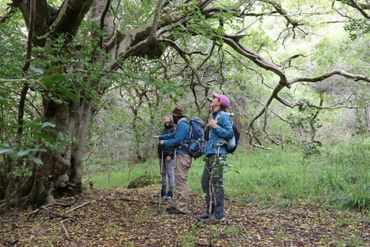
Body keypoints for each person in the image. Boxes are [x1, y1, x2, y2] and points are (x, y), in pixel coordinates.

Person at [197, 92, 233, 223]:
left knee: (217, 184)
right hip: (210, 154)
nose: (212, 99)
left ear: (220, 102)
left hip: (218, 154)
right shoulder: (213, 115)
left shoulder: (223, 116)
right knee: (205, 182)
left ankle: (218, 215)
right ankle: (209, 211)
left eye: (214, 98)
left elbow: (229, 133)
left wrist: (215, 126)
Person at [159, 106, 192, 214]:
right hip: (181, 155)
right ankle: (178, 205)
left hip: (183, 156)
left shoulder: (182, 124)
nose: (172, 118)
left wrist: (165, 143)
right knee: (179, 180)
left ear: (176, 117)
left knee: (181, 181)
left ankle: (182, 207)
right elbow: (173, 135)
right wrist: (161, 137)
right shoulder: (181, 125)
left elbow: (177, 140)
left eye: (173, 117)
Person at [156, 114, 176, 201]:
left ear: (171, 120)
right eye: (165, 118)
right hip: (162, 155)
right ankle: (163, 191)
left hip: (168, 155)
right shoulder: (164, 130)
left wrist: (170, 155)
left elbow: (173, 143)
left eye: (167, 117)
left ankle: (170, 193)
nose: (166, 119)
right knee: (163, 173)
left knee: (170, 174)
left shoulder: (173, 130)